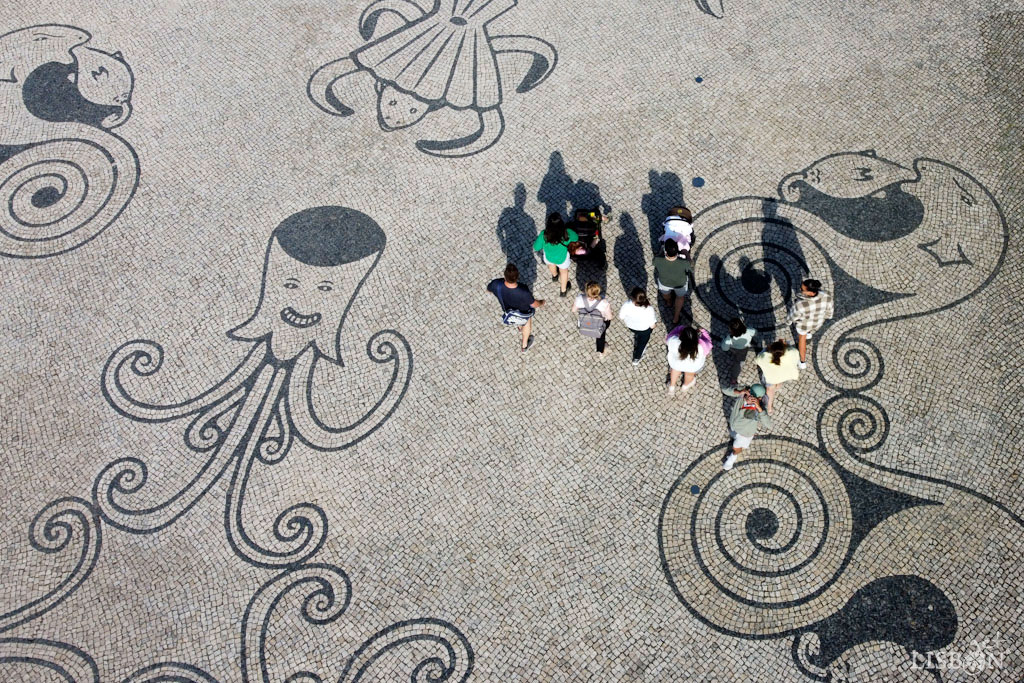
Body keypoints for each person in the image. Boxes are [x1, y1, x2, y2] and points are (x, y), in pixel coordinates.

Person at [487, 263, 545, 352]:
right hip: (523, 312)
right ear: (517, 277)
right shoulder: (524, 291)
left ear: (505, 275)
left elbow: (489, 289)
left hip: (508, 310)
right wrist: (541, 302)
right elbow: (534, 304)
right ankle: (524, 345)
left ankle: (519, 327)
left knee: (517, 316)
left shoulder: (496, 284)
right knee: (527, 323)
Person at [721, 383, 773, 470]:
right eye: (750, 394)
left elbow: (768, 424)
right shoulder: (745, 392)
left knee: (736, 447)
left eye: (754, 397)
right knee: (733, 436)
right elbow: (725, 390)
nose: (750, 397)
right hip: (734, 425)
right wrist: (740, 392)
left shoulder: (760, 407)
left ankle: (732, 458)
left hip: (744, 434)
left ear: (759, 398)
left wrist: (758, 407)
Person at [786, 278, 834, 369]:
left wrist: (788, 322)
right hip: (817, 322)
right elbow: (830, 310)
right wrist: (827, 316)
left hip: (804, 325)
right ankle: (809, 334)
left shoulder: (800, 304)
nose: (800, 290)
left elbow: (792, 317)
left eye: (802, 289)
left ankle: (802, 362)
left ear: (810, 293)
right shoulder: (826, 295)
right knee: (810, 328)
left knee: (802, 340)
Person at [533, 213, 578, 297]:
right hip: (562, 258)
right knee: (564, 271)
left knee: (551, 264)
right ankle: (563, 291)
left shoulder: (544, 234)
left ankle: (554, 276)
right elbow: (576, 238)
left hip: (549, 257)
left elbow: (536, 247)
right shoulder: (567, 233)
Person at [653, 239, 694, 325]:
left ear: (666, 251)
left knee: (666, 294)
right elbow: (690, 266)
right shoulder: (684, 262)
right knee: (680, 297)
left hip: (665, 283)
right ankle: (676, 318)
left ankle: (669, 302)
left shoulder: (658, 260)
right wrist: (686, 253)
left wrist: (661, 251)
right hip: (680, 284)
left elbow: (655, 260)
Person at [755, 340, 801, 413]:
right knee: (779, 381)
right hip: (783, 375)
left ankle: (769, 406)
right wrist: (787, 345)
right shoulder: (791, 353)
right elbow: (794, 351)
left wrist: (766, 349)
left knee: (770, 390)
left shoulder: (765, 357)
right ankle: (777, 386)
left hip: (771, 378)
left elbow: (757, 359)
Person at [665, 325, 711, 395]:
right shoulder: (701, 346)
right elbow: (709, 343)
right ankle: (685, 386)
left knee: (674, 371)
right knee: (689, 374)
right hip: (692, 366)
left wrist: (680, 328)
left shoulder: (674, 341)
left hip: (677, 364)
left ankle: (672, 387)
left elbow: (669, 336)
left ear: (680, 336)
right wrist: (703, 331)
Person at [571, 281, 613, 355]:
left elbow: (573, 310)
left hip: (585, 321)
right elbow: (609, 317)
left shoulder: (580, 298)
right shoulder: (603, 302)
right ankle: (601, 350)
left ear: (586, 290)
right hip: (598, 323)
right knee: (601, 335)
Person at [618, 287, 658, 365]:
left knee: (639, 336)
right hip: (644, 330)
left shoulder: (627, 304)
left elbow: (621, 317)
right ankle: (636, 358)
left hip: (631, 327)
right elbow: (652, 325)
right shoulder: (649, 309)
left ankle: (636, 358)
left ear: (632, 297)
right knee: (642, 344)